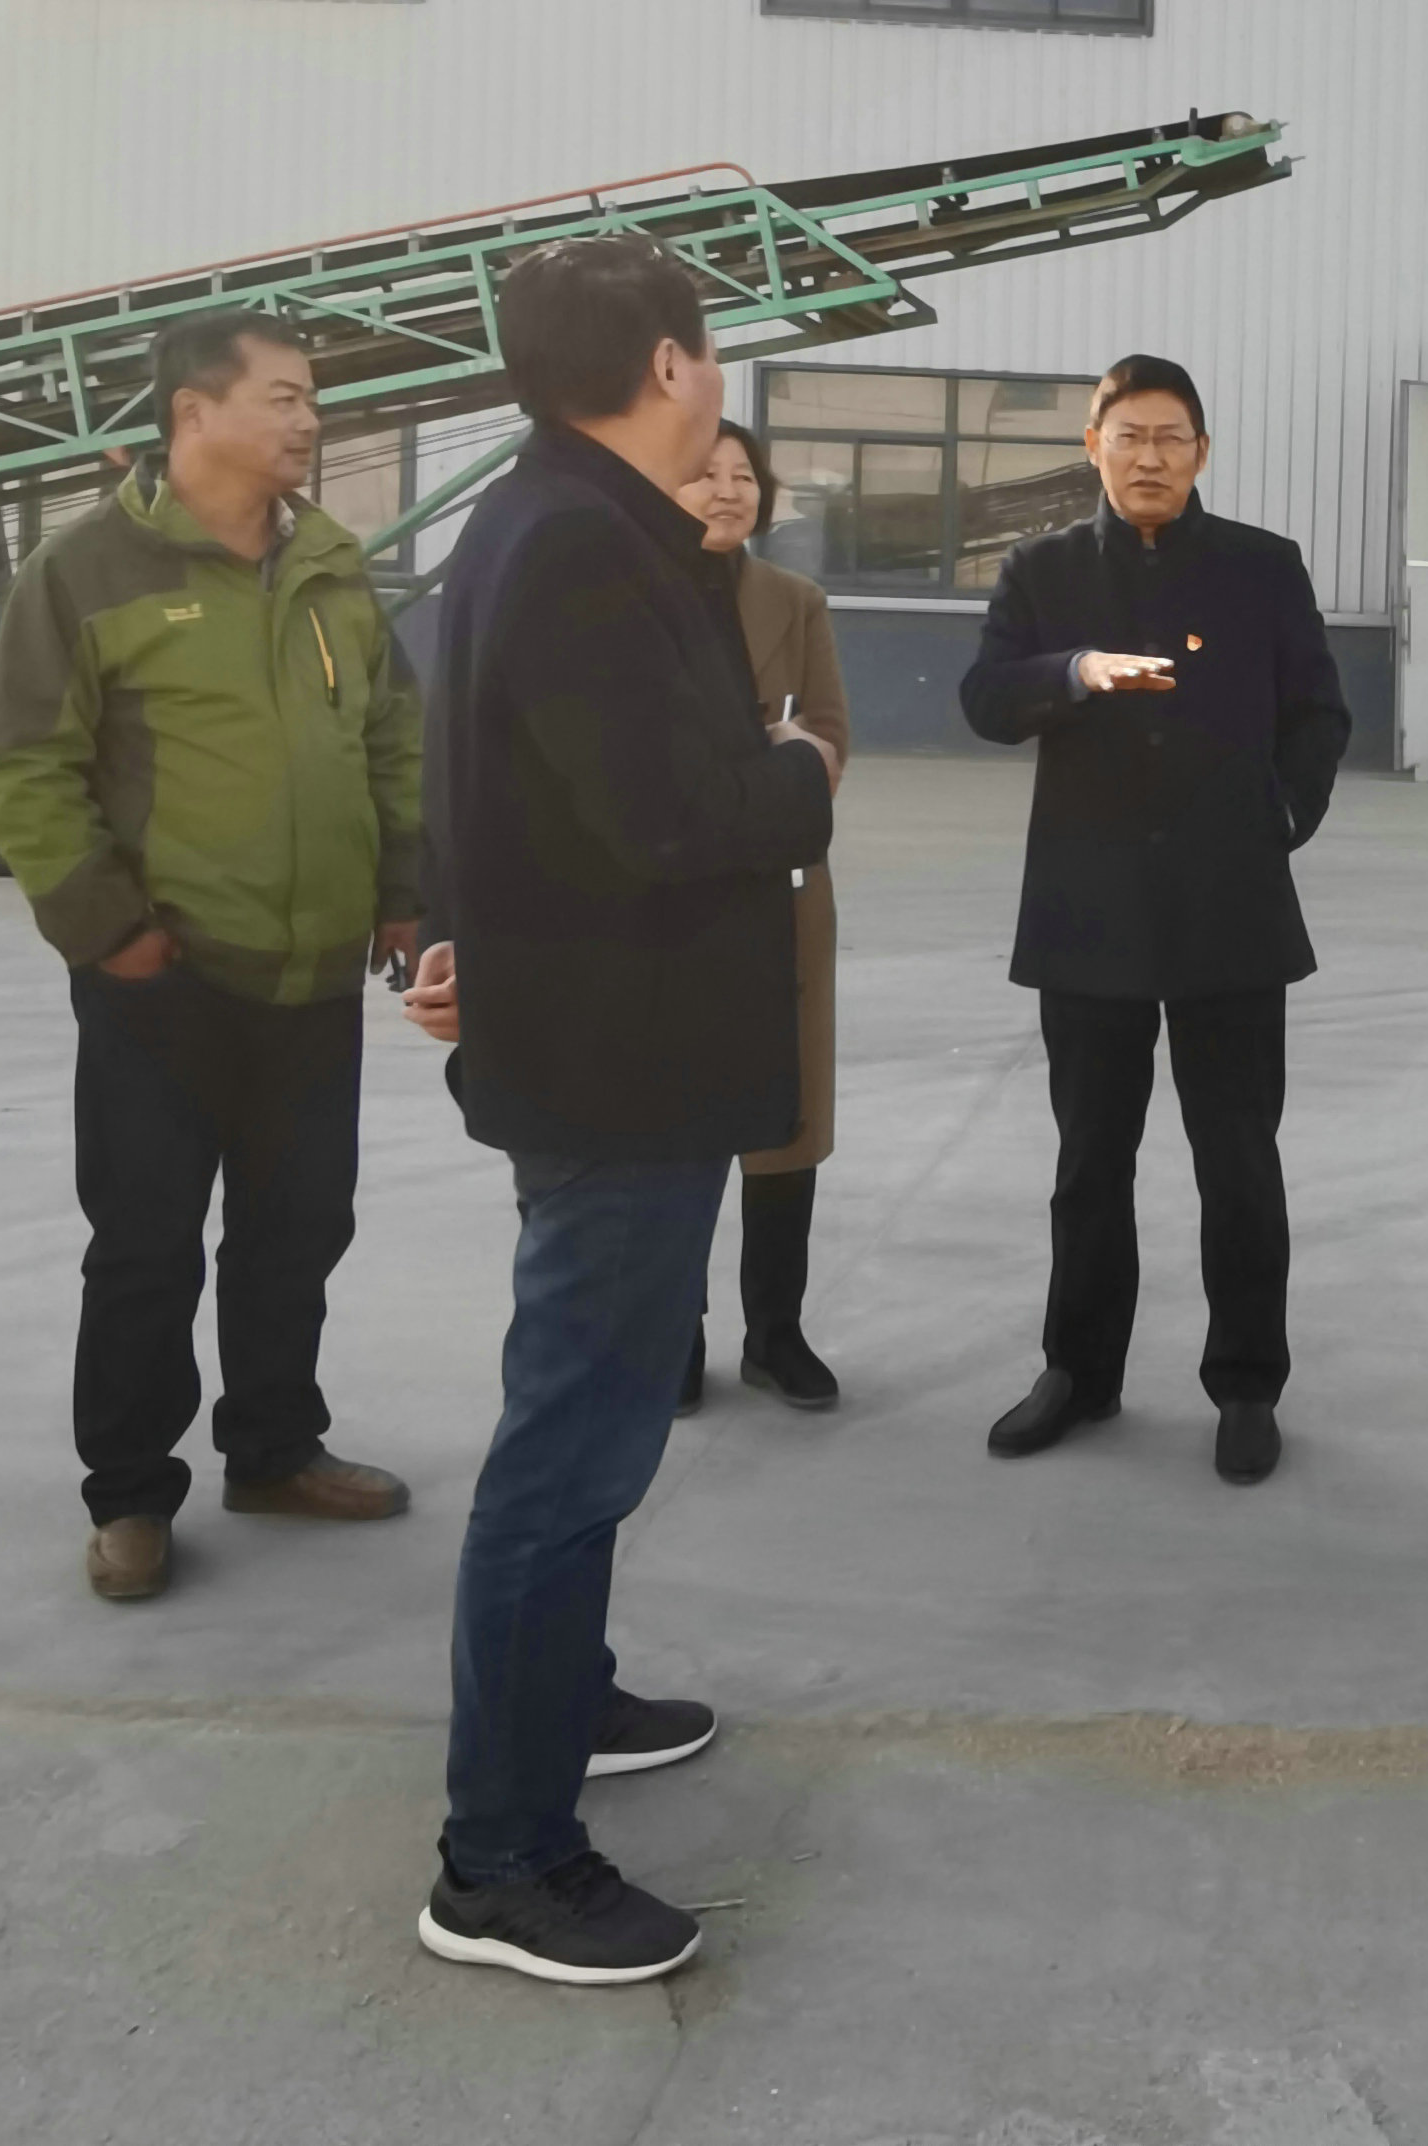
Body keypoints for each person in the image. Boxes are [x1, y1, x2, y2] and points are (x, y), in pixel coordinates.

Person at [398, 236, 840, 1987]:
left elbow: (506, 790)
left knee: (584, 1429)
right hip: (617, 1068)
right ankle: (500, 1858)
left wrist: (465, 939)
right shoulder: (579, 539)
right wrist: (799, 771)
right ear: (665, 365)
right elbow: (671, 811)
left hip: (594, 1042)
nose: (715, 375)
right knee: (570, 1450)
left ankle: (558, 1701)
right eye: (708, 349)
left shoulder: (555, 518)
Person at [0, 306, 421, 1605]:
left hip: (313, 974)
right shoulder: (87, 570)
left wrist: (404, 890)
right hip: (164, 979)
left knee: (299, 1226)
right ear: (193, 412)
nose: (310, 420)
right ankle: (128, 1493)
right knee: (146, 1243)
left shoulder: (331, 561)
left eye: (312, 397)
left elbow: (391, 735)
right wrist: (111, 933)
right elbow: (25, 769)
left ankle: (273, 1450)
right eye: (284, 396)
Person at [959, 354, 1351, 1488]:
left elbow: (1318, 711)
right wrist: (1076, 670)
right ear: (1093, 446)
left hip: (1230, 908)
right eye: (1128, 435)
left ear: (1201, 452)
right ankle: (1077, 1371)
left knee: (1239, 1161)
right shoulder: (1041, 569)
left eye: (1170, 437)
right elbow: (986, 700)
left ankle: (1247, 1384)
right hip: (1090, 913)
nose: (1148, 456)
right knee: (1091, 1162)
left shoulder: (1261, 566)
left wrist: (1281, 815)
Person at [668, 419, 850, 1417]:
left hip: (783, 890)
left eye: (743, 476)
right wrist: (769, 756)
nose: (728, 490)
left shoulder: (795, 599)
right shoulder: (632, 598)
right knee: (680, 1121)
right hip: (672, 895)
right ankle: (674, 1332)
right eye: (705, 475)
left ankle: (776, 1334)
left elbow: (828, 744)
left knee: (788, 1120)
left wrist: (784, 761)